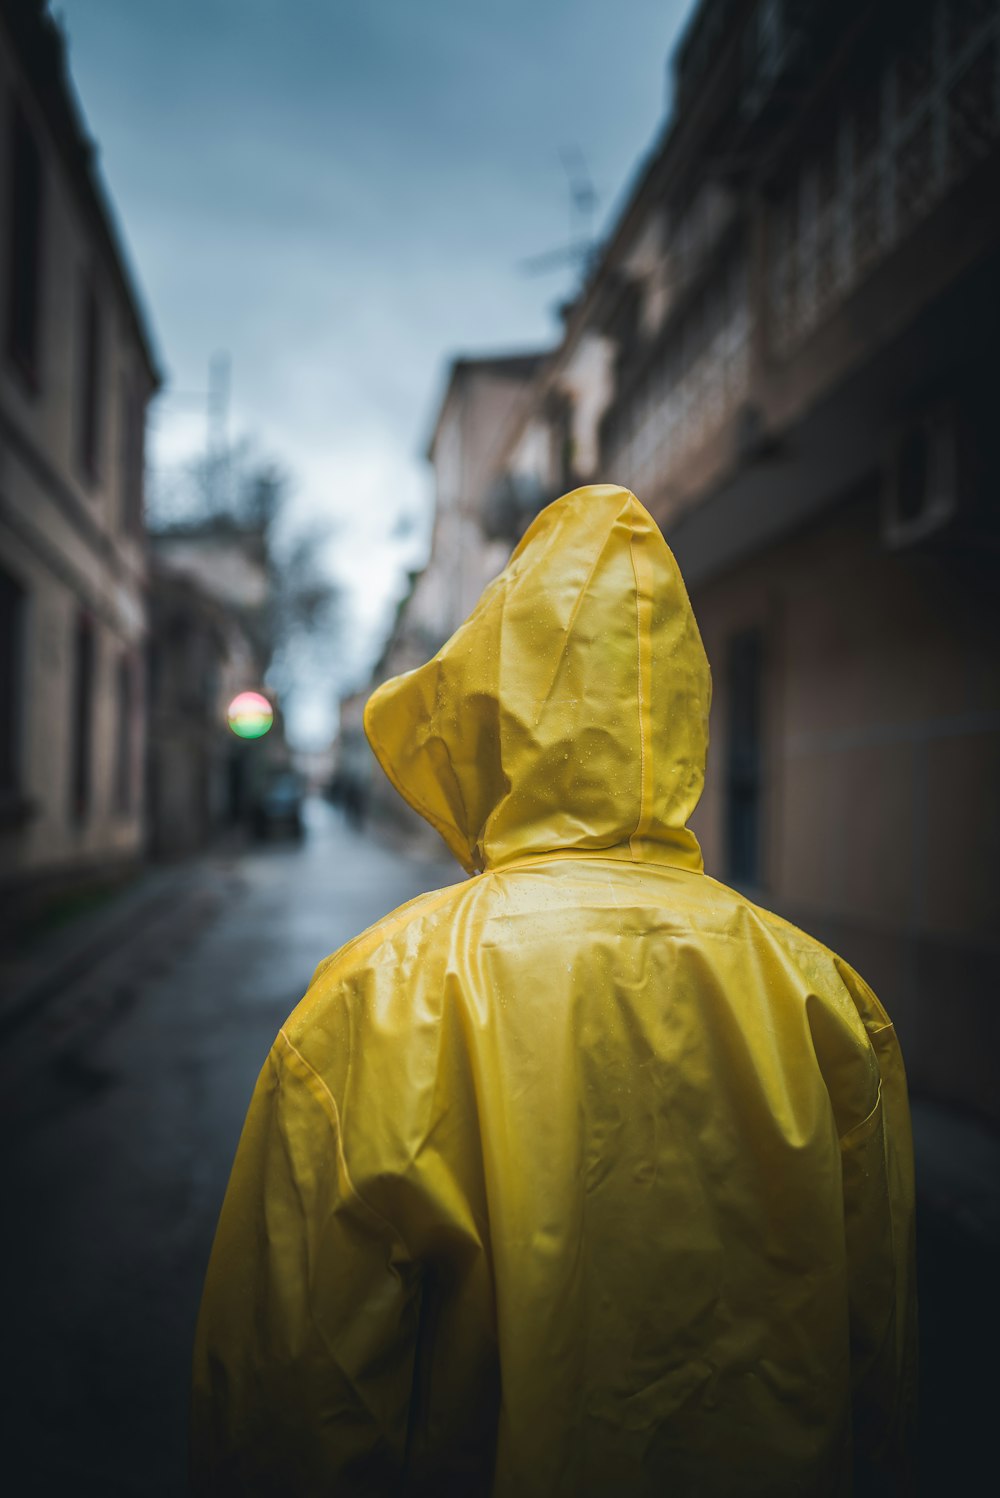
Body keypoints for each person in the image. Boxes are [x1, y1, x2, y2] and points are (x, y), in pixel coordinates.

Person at [191, 485, 916, 1496]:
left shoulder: (382, 996)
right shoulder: (826, 1000)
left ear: (491, 715)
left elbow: (285, 1405)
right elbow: (877, 1360)